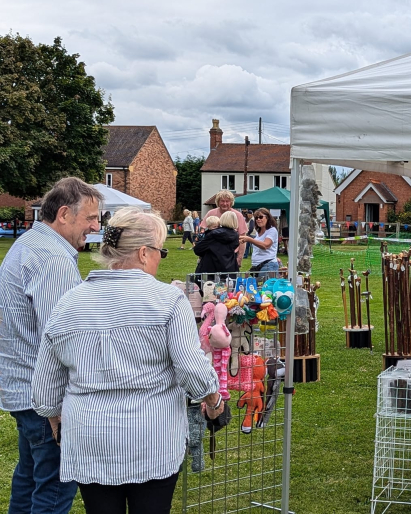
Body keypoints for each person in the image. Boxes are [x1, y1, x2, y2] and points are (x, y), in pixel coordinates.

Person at [31, 207, 223, 514]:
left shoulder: (68, 303)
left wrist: (56, 422)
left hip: (90, 437)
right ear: (144, 253)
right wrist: (214, 402)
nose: (161, 258)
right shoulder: (167, 300)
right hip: (152, 438)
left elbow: (44, 390)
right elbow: (191, 369)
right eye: (162, 251)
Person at [0, 177, 103, 514]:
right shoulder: (53, 259)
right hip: (43, 396)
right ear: (63, 214)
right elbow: (60, 336)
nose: (95, 226)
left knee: (29, 478)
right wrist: (58, 408)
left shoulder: (29, 244)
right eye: (90, 218)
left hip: (23, 388)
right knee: (54, 490)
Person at [200, 191, 247, 267]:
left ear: (231, 202)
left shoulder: (237, 215)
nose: (225, 204)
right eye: (222, 201)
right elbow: (203, 231)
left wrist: (239, 258)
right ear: (218, 202)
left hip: (231, 254)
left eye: (227, 201)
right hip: (212, 254)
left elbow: (243, 239)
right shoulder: (211, 213)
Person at [240, 208, 282, 273]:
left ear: (267, 218)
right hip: (256, 266)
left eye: (261, 217)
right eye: (256, 218)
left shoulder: (272, 230)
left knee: (266, 283)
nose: (258, 219)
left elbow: (266, 245)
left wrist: (250, 239)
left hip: (268, 266)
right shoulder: (258, 232)